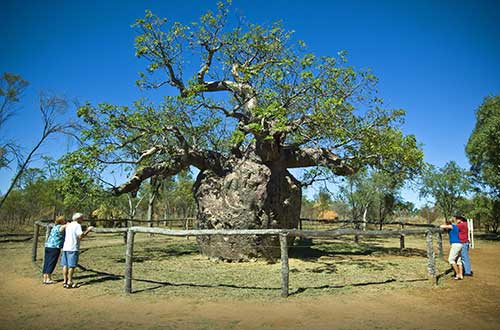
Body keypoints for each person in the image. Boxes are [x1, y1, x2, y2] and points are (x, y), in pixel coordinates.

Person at [61, 213, 93, 288]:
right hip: (73, 248)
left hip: (66, 247)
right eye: (82, 218)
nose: (83, 220)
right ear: (78, 219)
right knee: (72, 265)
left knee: (65, 265)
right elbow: (80, 236)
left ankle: (65, 281)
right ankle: (70, 281)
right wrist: (88, 230)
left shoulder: (69, 225)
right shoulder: (77, 225)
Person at [42, 216, 66, 284]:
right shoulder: (60, 227)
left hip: (48, 246)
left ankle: (45, 278)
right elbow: (65, 227)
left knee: (46, 262)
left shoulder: (54, 227)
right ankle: (48, 278)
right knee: (51, 262)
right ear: (62, 221)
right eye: (64, 220)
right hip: (54, 247)